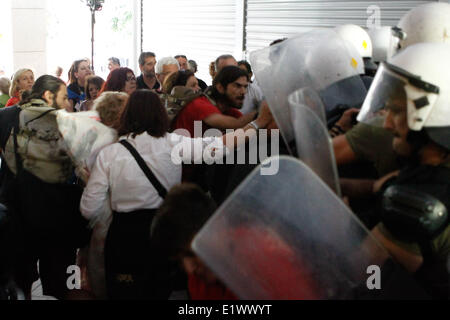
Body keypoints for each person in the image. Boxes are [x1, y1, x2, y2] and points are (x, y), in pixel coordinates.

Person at [80, 89, 273, 299]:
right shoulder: (174, 143)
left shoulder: (109, 154)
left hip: (125, 239)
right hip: (165, 234)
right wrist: (257, 124)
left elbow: (88, 210)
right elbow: (219, 146)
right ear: (160, 113)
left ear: (127, 115)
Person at [355, 43, 450, 299]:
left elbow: (361, 275)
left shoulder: (418, 204)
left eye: (396, 112)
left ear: (431, 120)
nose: (386, 124)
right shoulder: (436, 174)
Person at [1, 75, 90, 300]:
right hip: (56, 208)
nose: (67, 103)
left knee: (21, 275)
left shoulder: (5, 117)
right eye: (62, 98)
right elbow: (79, 168)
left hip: (17, 206)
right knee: (59, 279)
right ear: (47, 96)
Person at [151, 183, 237, 300]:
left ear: (214, 231)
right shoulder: (196, 283)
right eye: (180, 262)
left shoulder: (263, 257)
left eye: (191, 253)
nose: (189, 269)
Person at [173, 66, 257, 136]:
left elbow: (247, 128)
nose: (243, 92)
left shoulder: (230, 112)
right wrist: (259, 113)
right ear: (220, 87)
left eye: (245, 87)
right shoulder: (199, 105)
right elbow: (237, 124)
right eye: (237, 86)